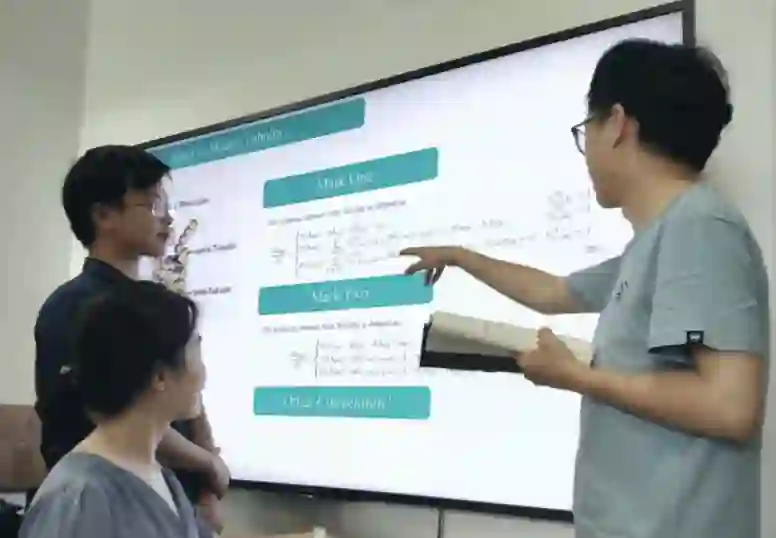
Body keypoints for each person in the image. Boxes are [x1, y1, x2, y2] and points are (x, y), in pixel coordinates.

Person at [401, 39, 769, 538]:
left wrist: (576, 376)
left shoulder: (701, 228)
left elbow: (730, 406)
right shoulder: (657, 241)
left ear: (617, 124)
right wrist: (462, 257)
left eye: (586, 130)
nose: (586, 151)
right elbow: (553, 292)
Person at [32, 145, 229, 533]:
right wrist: (205, 463)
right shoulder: (74, 308)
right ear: (104, 215)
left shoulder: (155, 305)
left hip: (167, 495)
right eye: (152, 204)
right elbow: (115, 418)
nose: (167, 218)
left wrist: (206, 488)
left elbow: (186, 399)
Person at [21, 283, 316, 538]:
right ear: (160, 376)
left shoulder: (162, 480)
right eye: (195, 351)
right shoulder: (77, 500)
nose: (203, 373)